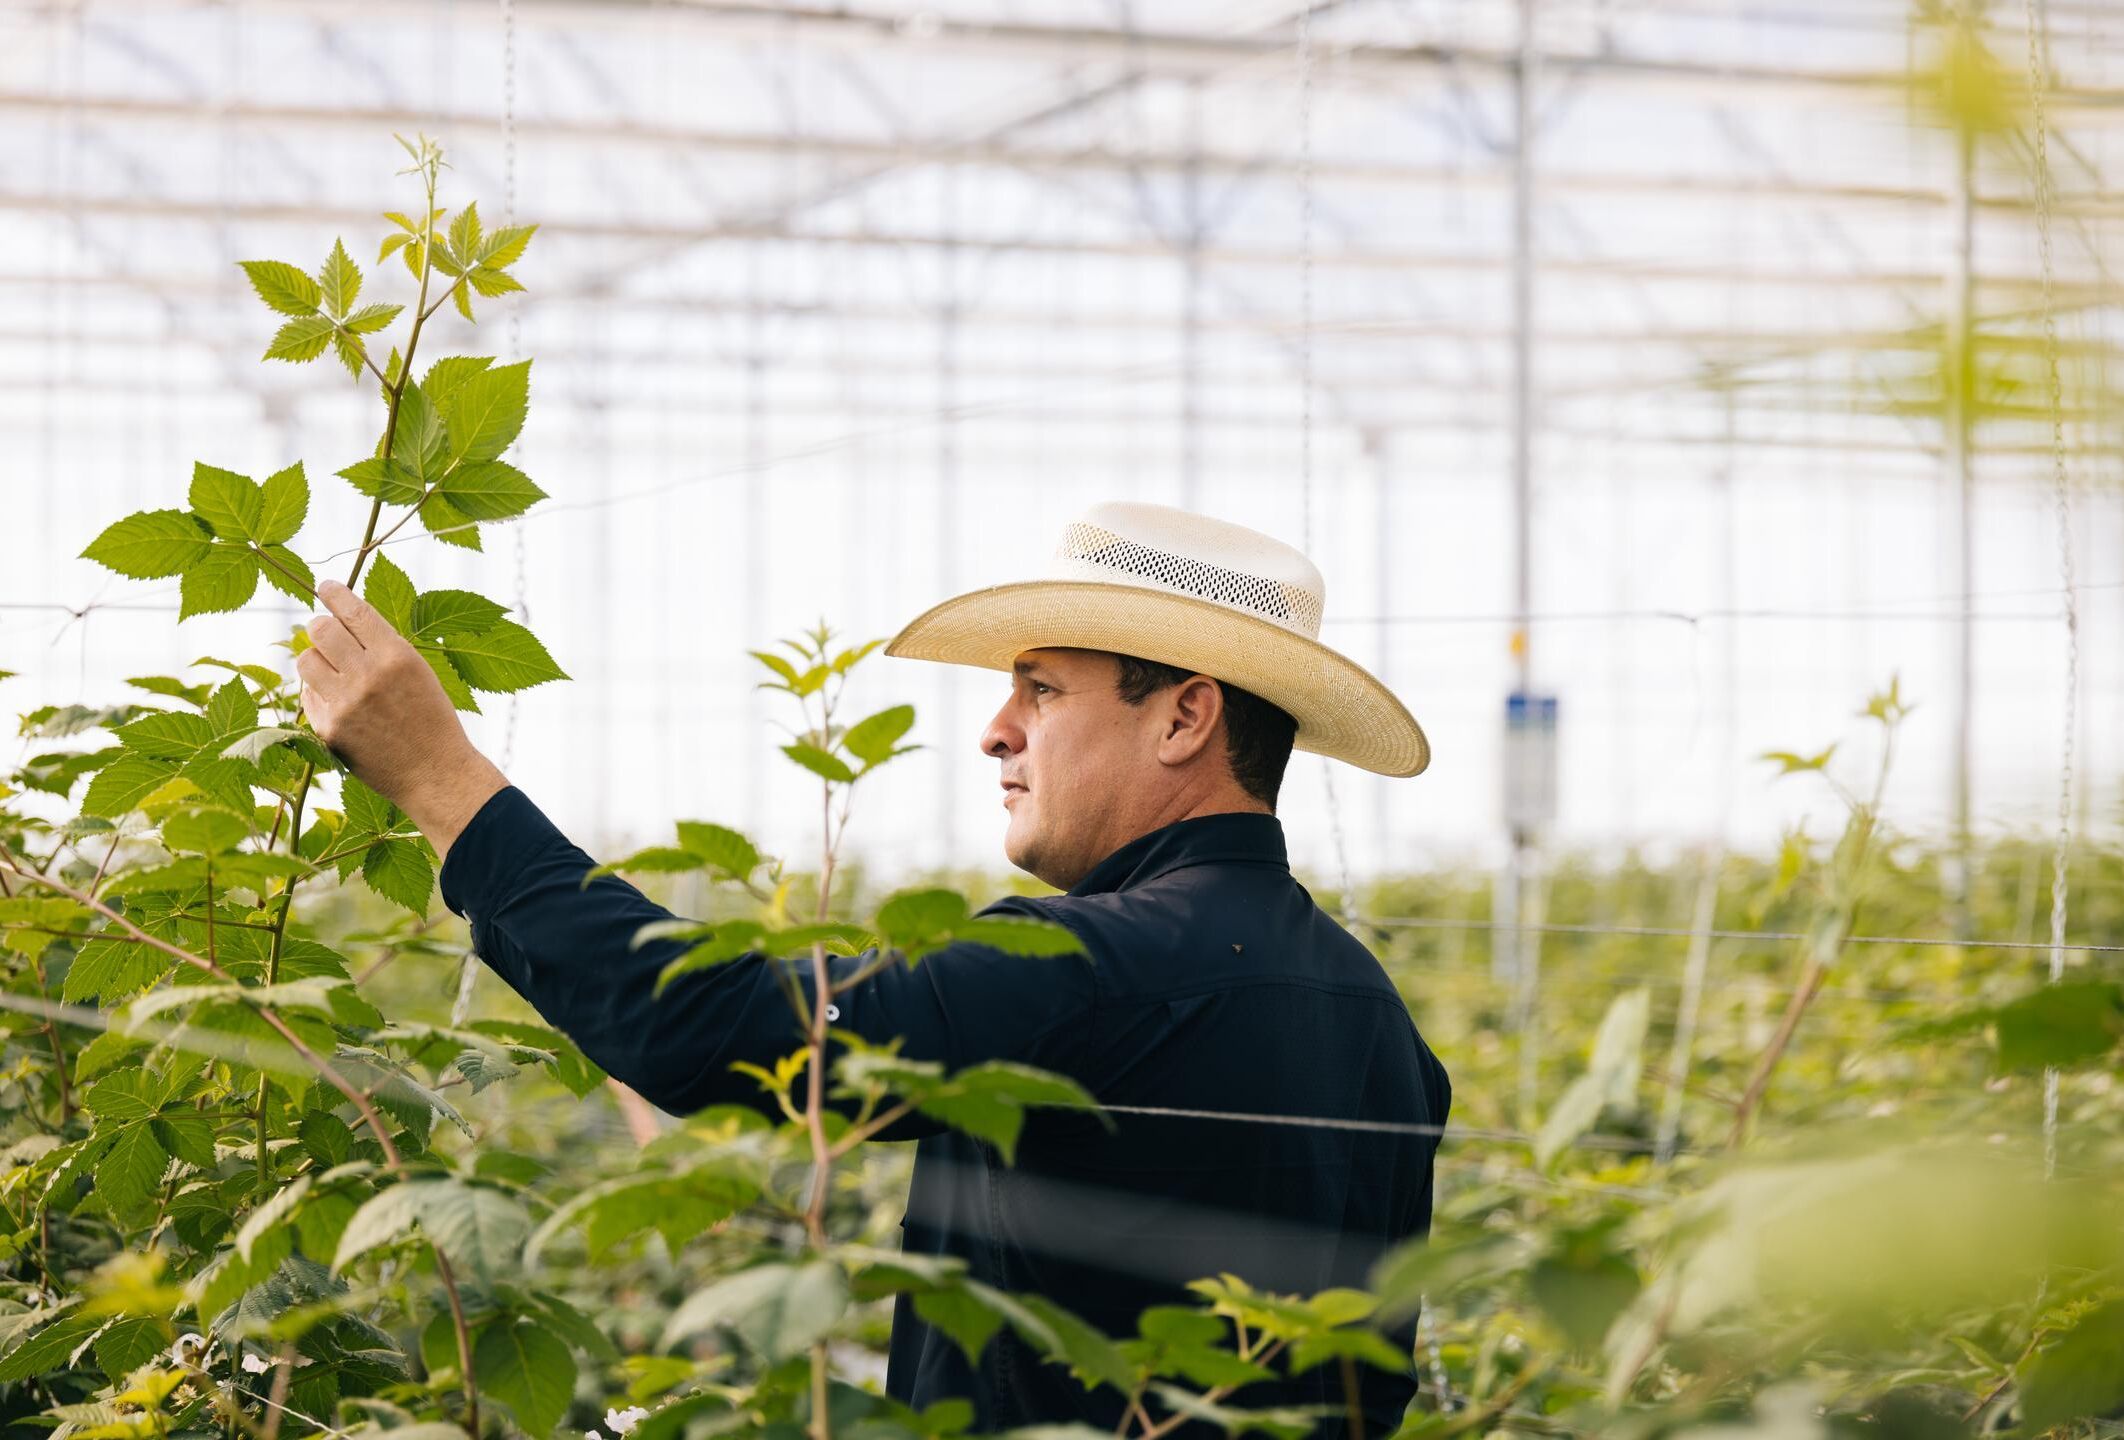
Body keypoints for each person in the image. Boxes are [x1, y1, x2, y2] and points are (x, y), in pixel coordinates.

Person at [294, 499, 1453, 1437]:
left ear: (1185, 718)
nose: (997, 729)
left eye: (1043, 689)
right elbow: (1369, 1388)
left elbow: (718, 1026)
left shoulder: (1084, 962)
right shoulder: (1383, 1030)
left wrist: (442, 780)